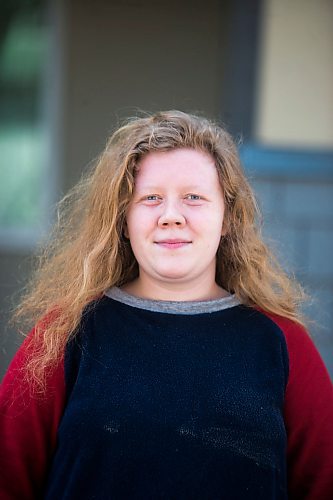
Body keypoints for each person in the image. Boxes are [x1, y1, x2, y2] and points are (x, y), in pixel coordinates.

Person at [1, 110, 332, 499]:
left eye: (193, 197)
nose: (171, 216)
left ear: (227, 218)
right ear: (123, 219)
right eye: (151, 198)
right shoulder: (65, 333)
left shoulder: (281, 342)